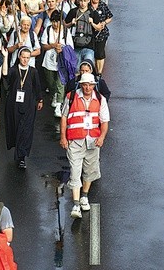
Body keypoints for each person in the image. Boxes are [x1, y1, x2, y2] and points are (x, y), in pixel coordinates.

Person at [60, 72, 110, 219]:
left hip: (93, 141)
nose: (87, 87)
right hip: (75, 140)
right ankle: (76, 204)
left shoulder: (101, 100)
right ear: (81, 85)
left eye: (90, 85)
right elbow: (64, 118)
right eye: (85, 85)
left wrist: (102, 137)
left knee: (90, 170)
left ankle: (84, 196)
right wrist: (63, 137)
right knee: (75, 170)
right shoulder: (71, 97)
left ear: (94, 86)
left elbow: (105, 121)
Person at [4, 47, 43, 169]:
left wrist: (39, 100)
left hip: (29, 104)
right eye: (23, 57)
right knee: (15, 127)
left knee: (26, 130)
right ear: (19, 57)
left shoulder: (33, 71)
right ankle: (17, 148)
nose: (25, 60)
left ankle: (22, 157)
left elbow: (37, 86)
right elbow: (5, 75)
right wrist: (5, 57)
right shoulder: (14, 70)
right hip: (14, 104)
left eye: (27, 57)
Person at [64, 0, 102, 67]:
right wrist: (71, 23)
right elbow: (64, 25)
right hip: (75, 46)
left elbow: (99, 28)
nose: (83, 3)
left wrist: (92, 23)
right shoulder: (73, 12)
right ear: (78, 1)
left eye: (85, 1)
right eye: (81, 1)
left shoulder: (93, 13)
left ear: (88, 0)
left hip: (89, 46)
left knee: (88, 67)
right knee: (76, 69)